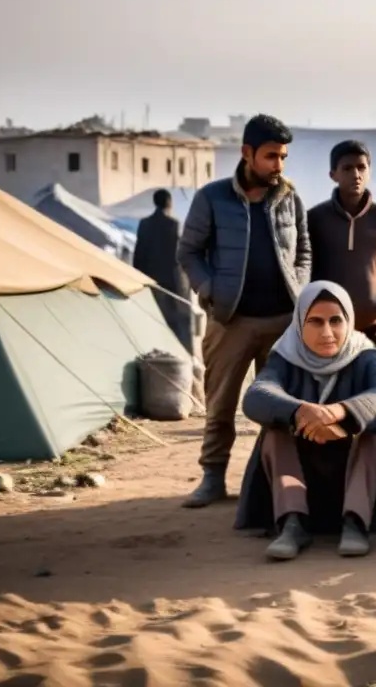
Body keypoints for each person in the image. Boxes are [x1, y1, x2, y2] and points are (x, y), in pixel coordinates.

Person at [177, 114, 311, 508]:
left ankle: (278, 484)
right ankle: (212, 478)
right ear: (247, 153)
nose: (278, 166)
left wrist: (300, 287)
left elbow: (303, 250)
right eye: (271, 156)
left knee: (281, 407)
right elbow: (189, 252)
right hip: (230, 321)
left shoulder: (290, 198)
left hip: (282, 324)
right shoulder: (212, 198)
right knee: (220, 405)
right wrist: (210, 290)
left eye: (283, 157)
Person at [234, 281, 376, 560]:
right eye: (315, 322)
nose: (327, 332)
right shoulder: (284, 355)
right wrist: (301, 412)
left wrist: (340, 414)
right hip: (303, 467)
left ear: (349, 321)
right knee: (275, 431)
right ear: (299, 323)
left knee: (375, 431)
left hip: (354, 471)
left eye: (336, 320)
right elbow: (257, 395)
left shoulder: (366, 355)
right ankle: (293, 522)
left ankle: (355, 522)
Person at [307, 140, 376, 359]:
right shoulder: (315, 218)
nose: (356, 174)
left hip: (372, 327)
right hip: (328, 329)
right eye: (347, 168)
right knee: (330, 391)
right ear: (333, 175)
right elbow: (304, 269)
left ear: (369, 172)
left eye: (361, 167)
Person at [133, 189, 193, 353]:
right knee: (178, 325)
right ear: (169, 203)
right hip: (172, 283)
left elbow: (138, 255)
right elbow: (180, 257)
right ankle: (181, 357)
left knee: (154, 322)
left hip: (151, 282)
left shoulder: (144, 224)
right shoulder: (174, 224)